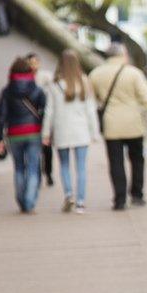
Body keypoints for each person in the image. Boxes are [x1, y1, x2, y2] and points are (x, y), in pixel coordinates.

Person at [90, 43, 147, 210]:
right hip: (133, 122)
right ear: (123, 55)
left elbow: (92, 100)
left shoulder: (96, 74)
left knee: (115, 162)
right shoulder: (134, 74)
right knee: (137, 159)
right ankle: (137, 194)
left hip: (111, 123)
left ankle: (119, 198)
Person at [42, 50, 101, 214]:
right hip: (81, 131)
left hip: (62, 131)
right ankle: (81, 202)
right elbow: (91, 110)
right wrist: (94, 132)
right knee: (81, 167)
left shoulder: (54, 84)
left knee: (64, 165)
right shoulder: (84, 82)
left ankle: (69, 194)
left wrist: (46, 133)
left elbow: (49, 111)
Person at [0, 57, 46, 213]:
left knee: (19, 168)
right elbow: (44, 113)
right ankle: (29, 201)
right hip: (33, 132)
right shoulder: (37, 91)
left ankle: (22, 200)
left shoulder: (7, 92)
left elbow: (0, 116)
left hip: (14, 134)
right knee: (33, 166)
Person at [26, 52, 55, 186]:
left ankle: (48, 172)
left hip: (44, 115)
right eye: (31, 63)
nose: (34, 65)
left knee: (47, 148)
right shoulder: (24, 78)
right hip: (30, 117)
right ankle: (36, 174)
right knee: (34, 149)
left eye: (36, 62)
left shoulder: (46, 76)